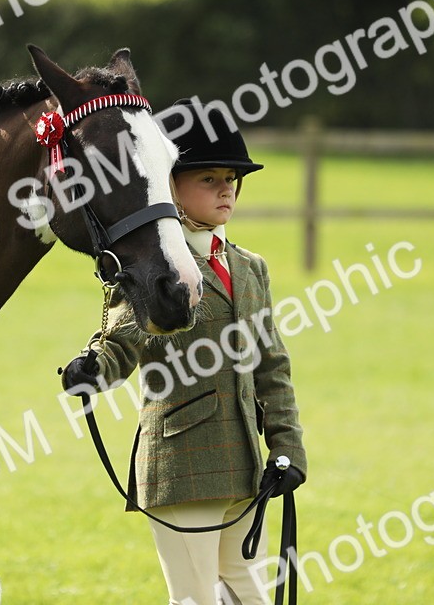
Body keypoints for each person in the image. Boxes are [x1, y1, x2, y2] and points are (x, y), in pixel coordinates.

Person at [62, 99, 306, 605]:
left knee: (246, 595)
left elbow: (272, 366)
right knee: (194, 599)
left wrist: (286, 447)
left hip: (242, 463)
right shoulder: (156, 271)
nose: (226, 190)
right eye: (209, 178)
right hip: (180, 464)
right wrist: (93, 368)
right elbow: (121, 341)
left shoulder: (250, 267)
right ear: (170, 187)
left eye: (232, 179)